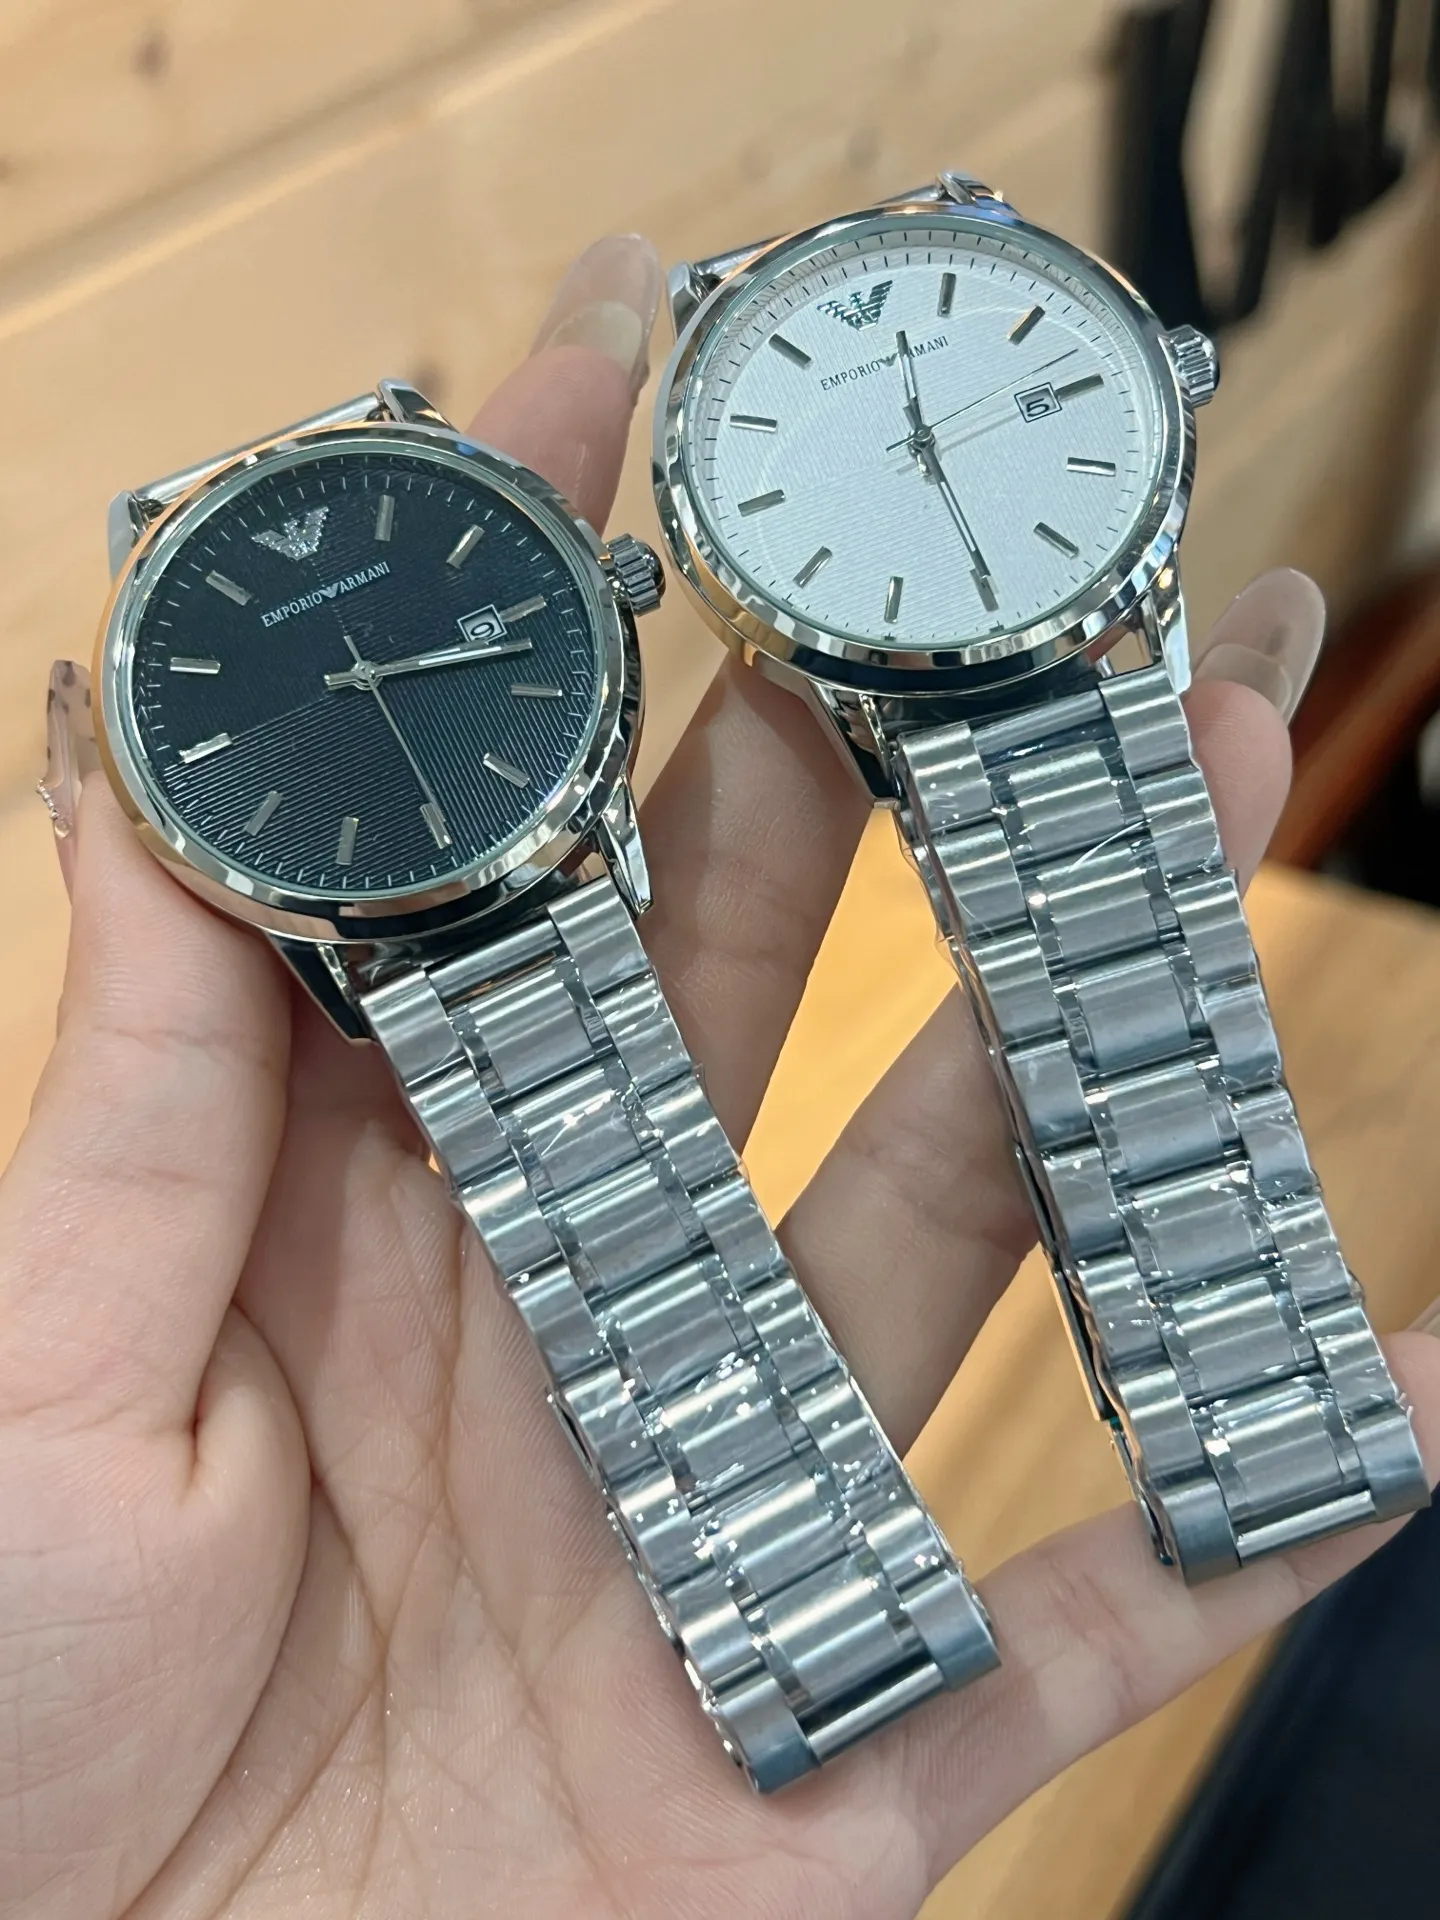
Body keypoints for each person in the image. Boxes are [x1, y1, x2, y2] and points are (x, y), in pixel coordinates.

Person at [9, 234, 1437, 1919]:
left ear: (606, 590)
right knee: (720, 1252)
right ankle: (873, 1605)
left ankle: (1169, 1459)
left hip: (558, 858)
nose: (363, 670)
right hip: (454, 932)